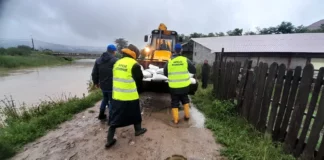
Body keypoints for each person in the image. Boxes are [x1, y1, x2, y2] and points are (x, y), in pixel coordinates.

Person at [106, 44, 147, 148]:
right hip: (130, 96)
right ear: (134, 55)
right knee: (135, 114)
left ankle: (109, 140)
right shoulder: (134, 64)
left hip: (117, 96)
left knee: (115, 118)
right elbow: (139, 80)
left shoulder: (117, 63)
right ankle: (138, 130)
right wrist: (140, 90)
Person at [163, 43, 196, 124]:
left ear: (174, 50)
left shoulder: (169, 61)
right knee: (185, 100)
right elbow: (193, 70)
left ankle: (175, 120)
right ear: (181, 50)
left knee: (175, 102)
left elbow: (165, 73)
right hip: (185, 86)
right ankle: (187, 116)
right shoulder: (185, 60)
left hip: (173, 87)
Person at [92, 44, 118, 121]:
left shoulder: (98, 60)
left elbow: (94, 73)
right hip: (112, 85)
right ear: (114, 51)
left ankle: (101, 114)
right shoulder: (115, 60)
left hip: (102, 84)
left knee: (105, 98)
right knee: (112, 101)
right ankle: (111, 118)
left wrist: (96, 82)